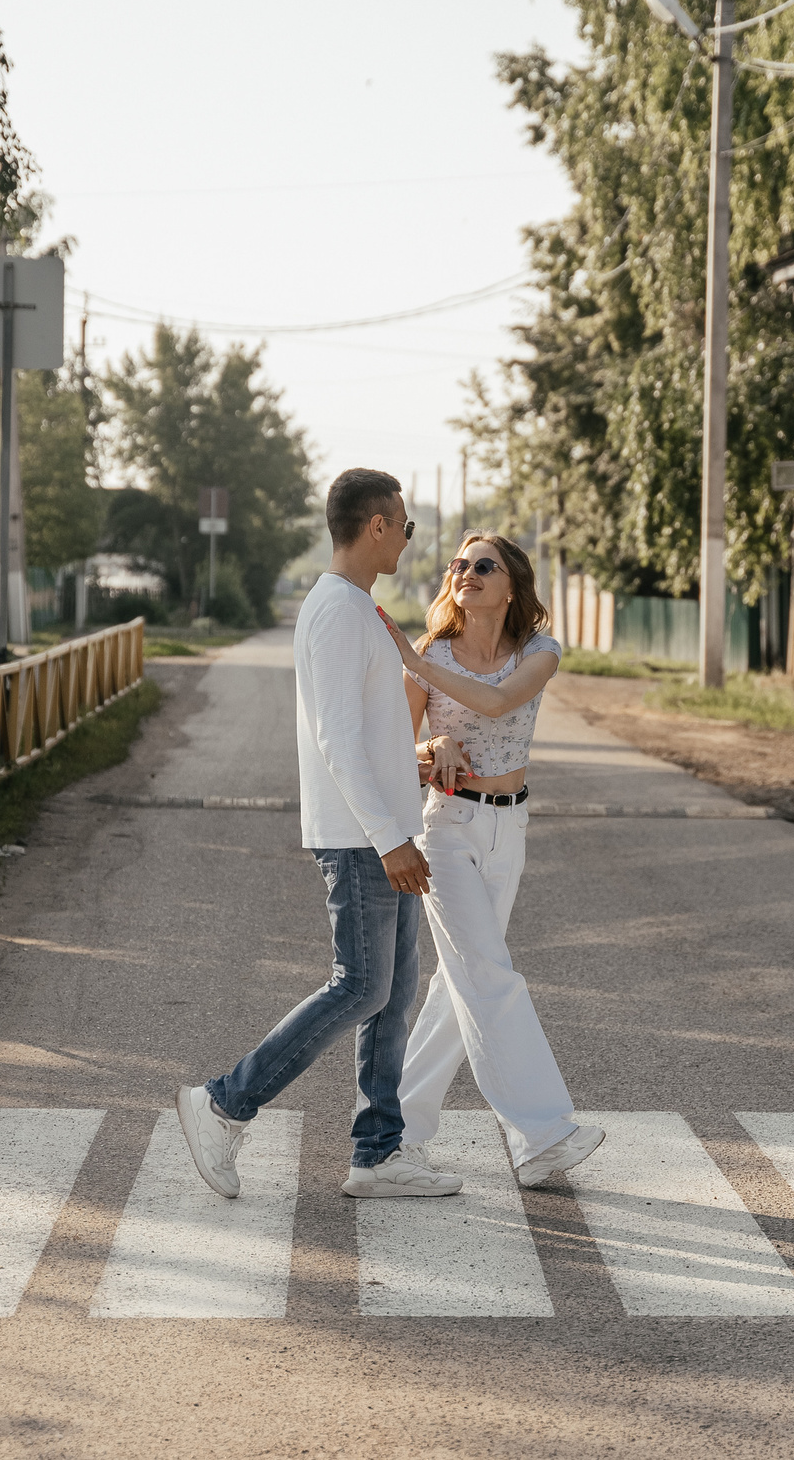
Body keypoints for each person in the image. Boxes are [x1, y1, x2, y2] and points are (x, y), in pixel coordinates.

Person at [177, 469, 464, 1201]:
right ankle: (224, 1103)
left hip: (386, 829)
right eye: (403, 524)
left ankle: (378, 1154)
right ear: (376, 525)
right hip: (363, 837)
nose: (408, 538)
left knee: (391, 996)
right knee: (360, 987)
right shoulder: (336, 610)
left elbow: (367, 733)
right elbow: (336, 739)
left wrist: (416, 764)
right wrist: (388, 838)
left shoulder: (360, 608)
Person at [380, 529, 605, 1189]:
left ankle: (393, 1133)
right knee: (488, 974)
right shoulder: (432, 653)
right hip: (448, 830)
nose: (467, 572)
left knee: (460, 988)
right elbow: (391, 752)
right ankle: (542, 1132)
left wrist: (413, 663)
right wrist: (433, 747)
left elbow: (501, 701)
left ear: (511, 586)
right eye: (459, 564)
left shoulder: (538, 651)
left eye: (484, 565)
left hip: (511, 829)